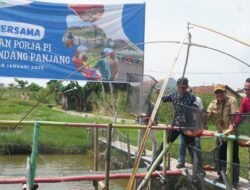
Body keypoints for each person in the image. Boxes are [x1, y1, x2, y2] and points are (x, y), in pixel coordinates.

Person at [153, 77, 199, 170]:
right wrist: (158, 93)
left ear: (187, 87)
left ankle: (199, 169)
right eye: (180, 87)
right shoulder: (173, 95)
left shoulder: (191, 97)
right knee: (165, 145)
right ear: (177, 86)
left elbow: (196, 110)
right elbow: (163, 99)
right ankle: (155, 165)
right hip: (176, 125)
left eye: (184, 87)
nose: (182, 89)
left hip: (187, 127)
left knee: (192, 148)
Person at [205, 84, 239, 188]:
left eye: (221, 92)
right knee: (220, 156)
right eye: (217, 92)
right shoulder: (212, 104)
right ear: (215, 94)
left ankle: (234, 180)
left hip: (232, 134)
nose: (219, 94)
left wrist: (230, 128)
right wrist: (202, 122)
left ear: (225, 92)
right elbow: (206, 117)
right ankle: (222, 176)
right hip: (220, 134)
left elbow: (234, 117)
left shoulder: (232, 100)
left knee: (233, 157)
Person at [177, 89, 204, 168]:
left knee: (196, 145)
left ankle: (198, 164)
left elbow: (201, 112)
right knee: (182, 144)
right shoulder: (181, 99)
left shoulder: (197, 99)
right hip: (185, 126)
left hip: (195, 126)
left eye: (189, 91)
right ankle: (181, 161)